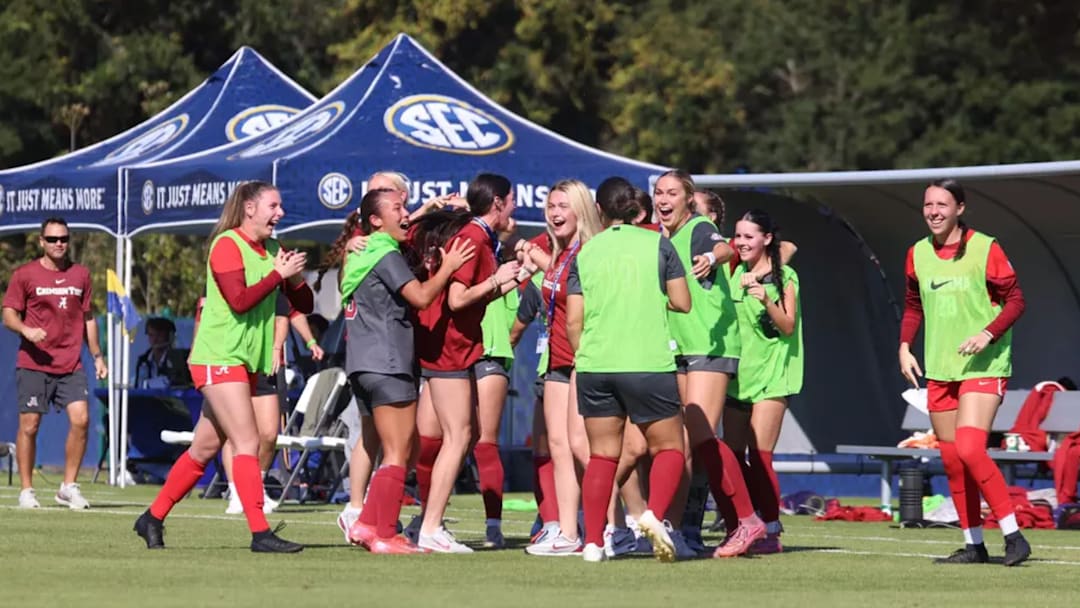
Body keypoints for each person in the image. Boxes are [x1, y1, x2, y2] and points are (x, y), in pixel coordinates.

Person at [133, 181, 313, 553]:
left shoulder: (273, 249)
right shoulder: (226, 245)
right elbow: (239, 299)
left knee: (202, 450)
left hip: (241, 361)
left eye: (280, 207)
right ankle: (261, 533)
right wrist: (278, 275)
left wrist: (292, 277)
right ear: (249, 209)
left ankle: (151, 517)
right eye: (273, 206)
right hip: (218, 357)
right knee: (247, 441)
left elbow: (305, 304)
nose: (280, 213)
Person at [898, 178, 1030, 566]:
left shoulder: (985, 248)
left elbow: (1017, 300)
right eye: (928, 205)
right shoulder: (917, 253)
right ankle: (974, 544)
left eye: (942, 204)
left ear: (960, 208)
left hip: (984, 366)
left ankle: (1014, 536)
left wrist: (987, 334)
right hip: (941, 369)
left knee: (971, 449)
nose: (934, 211)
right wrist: (904, 347)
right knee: (954, 460)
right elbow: (912, 306)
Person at [340, 188, 476, 554]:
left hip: (361, 364)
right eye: (398, 208)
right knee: (399, 452)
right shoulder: (384, 253)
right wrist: (448, 268)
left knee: (398, 449)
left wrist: (425, 211)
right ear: (374, 220)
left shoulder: (360, 250)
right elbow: (420, 297)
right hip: (387, 362)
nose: (406, 214)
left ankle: (368, 523)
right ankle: (385, 534)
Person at [566, 180, 690, 563]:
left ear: (599, 212)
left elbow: (573, 321)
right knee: (669, 448)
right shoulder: (658, 244)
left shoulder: (585, 252)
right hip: (647, 362)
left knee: (602, 456)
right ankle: (653, 516)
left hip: (596, 365)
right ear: (638, 211)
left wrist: (585, 355)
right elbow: (682, 302)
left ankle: (591, 543)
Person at [654, 170, 766, 558]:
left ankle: (748, 521)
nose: (663, 199)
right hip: (680, 349)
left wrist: (709, 256)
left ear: (687, 199)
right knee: (683, 444)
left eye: (671, 193)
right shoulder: (662, 239)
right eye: (658, 193)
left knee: (701, 435)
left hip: (709, 346)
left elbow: (726, 250)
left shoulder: (699, 228)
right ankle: (676, 528)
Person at [408, 173, 520, 553]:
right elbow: (457, 299)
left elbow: (474, 298)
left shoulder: (482, 238)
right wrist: (495, 282)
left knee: (460, 436)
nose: (515, 208)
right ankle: (431, 526)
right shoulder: (473, 238)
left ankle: (429, 524)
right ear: (498, 204)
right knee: (458, 438)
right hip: (450, 349)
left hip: (457, 348)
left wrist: (512, 278)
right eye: (512, 201)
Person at [3, 217, 107, 509]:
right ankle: (26, 490)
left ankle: (68, 487)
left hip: (70, 364)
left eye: (63, 239)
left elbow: (88, 318)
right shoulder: (25, 274)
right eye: (52, 239)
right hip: (34, 363)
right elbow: (9, 314)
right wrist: (26, 330)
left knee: (82, 420)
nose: (58, 244)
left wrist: (97, 355)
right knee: (30, 425)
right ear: (41, 242)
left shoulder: (81, 275)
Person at [524, 179, 604, 557]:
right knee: (557, 446)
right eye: (551, 206)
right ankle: (569, 533)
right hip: (555, 358)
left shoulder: (589, 251)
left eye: (563, 206)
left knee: (581, 447)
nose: (555, 213)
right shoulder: (557, 252)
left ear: (581, 210)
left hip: (582, 357)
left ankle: (620, 522)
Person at [722, 209, 804, 555]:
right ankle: (741, 523)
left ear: (767, 239)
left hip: (773, 375)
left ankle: (771, 529)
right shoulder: (733, 272)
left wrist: (765, 298)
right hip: (738, 375)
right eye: (737, 236)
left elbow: (787, 325)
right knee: (730, 454)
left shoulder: (785, 277)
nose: (741, 242)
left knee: (760, 454)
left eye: (749, 236)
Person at [133, 317, 191, 389]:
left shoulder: (178, 359)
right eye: (151, 335)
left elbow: (180, 385)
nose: (154, 339)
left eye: (159, 335)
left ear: (170, 336)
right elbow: (138, 387)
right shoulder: (143, 360)